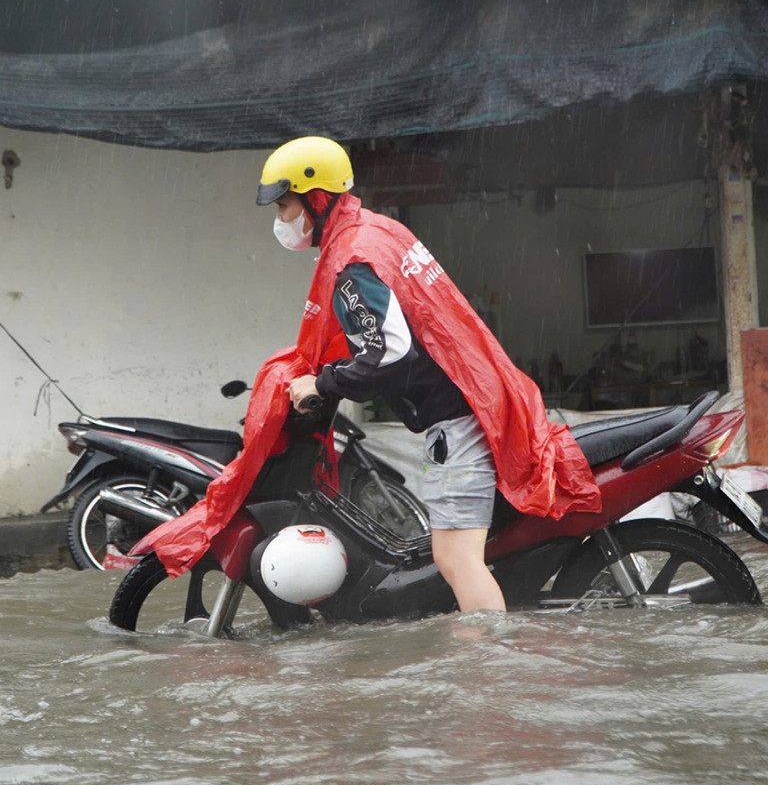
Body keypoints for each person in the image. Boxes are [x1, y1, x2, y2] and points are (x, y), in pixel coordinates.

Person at [258, 136, 601, 612]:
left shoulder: (353, 262)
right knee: (453, 554)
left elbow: (391, 353)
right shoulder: (377, 231)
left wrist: (322, 383)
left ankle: (490, 670)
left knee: (458, 559)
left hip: (459, 417)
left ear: (316, 199)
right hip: (478, 398)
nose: (280, 221)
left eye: (283, 206)